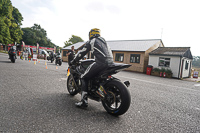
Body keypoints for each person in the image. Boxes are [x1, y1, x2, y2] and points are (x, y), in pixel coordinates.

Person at [71, 28, 114, 107]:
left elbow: (82, 52)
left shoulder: (92, 41)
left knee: (84, 77)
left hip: (101, 63)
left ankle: (84, 101)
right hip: (111, 63)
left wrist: (74, 61)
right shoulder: (104, 41)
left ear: (91, 34)